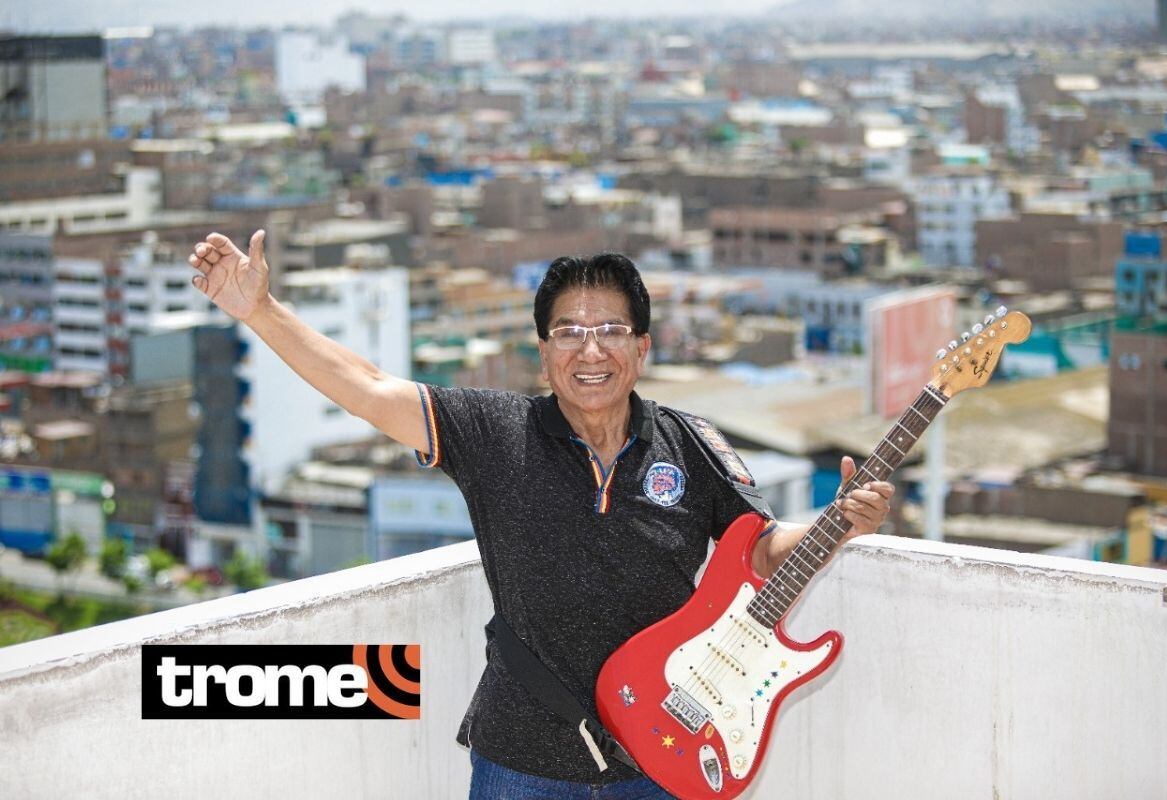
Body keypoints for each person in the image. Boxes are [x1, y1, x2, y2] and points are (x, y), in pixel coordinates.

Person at [189, 231, 895, 799]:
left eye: (612, 330)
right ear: (544, 350)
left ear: (643, 349)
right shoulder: (495, 433)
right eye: (569, 333)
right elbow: (370, 388)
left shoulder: (692, 443)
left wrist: (841, 522)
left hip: (663, 760)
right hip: (521, 764)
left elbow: (765, 551)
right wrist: (261, 311)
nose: (591, 350)